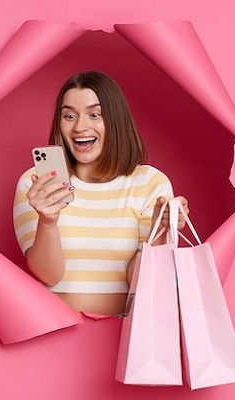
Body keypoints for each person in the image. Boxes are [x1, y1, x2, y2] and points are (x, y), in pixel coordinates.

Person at [13, 71, 189, 316]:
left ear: (116, 121)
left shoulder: (149, 182)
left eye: (95, 115)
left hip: (126, 335)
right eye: (69, 116)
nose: (80, 126)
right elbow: (48, 275)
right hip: (55, 331)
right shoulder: (36, 183)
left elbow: (141, 281)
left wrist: (160, 233)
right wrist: (47, 220)